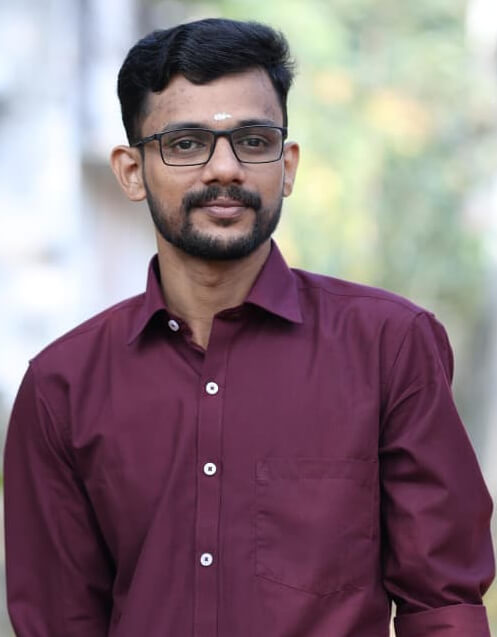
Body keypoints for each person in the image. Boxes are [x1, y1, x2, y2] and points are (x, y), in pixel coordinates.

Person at [4, 17, 494, 637]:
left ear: (287, 165)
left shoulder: (389, 347)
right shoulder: (62, 387)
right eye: (186, 143)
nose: (225, 169)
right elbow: (57, 622)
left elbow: (443, 608)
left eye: (253, 141)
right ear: (131, 171)